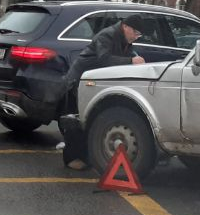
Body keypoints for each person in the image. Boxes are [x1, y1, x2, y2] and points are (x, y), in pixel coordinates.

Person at [57, 15, 146, 170]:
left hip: (94, 83)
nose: (136, 37)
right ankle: (71, 158)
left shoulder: (124, 40)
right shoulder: (107, 35)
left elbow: (125, 56)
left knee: (90, 119)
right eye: (136, 33)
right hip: (78, 81)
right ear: (126, 27)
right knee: (76, 121)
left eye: (139, 35)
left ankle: (85, 157)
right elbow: (104, 59)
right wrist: (130, 61)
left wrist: (135, 58)